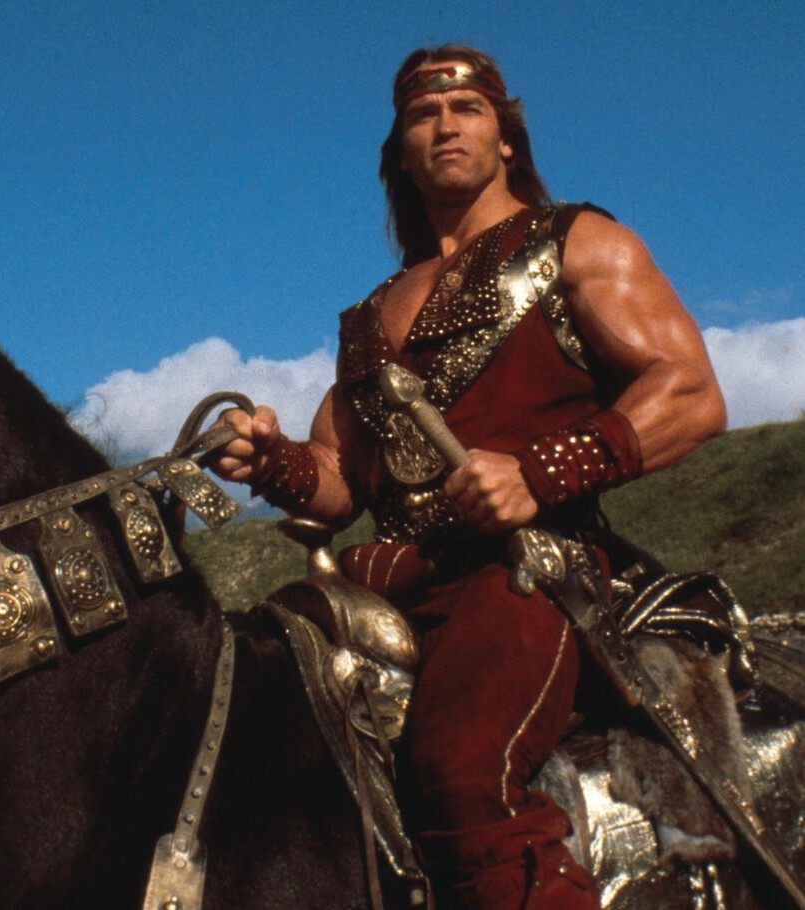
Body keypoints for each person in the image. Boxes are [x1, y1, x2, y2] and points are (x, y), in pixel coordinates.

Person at [215, 45, 726, 909]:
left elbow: (691, 393)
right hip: (384, 583)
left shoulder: (577, 242)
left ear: (506, 140)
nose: (445, 125)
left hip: (523, 575)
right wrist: (275, 463)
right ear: (402, 155)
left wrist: (538, 472)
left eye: (467, 109)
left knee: (461, 773)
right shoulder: (367, 318)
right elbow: (341, 484)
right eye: (423, 115)